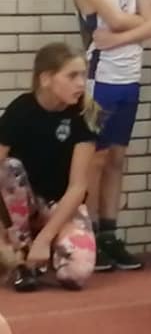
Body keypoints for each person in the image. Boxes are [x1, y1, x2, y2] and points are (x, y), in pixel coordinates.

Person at [71, 0, 151, 272]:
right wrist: (137, 24)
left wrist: (127, 31)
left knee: (118, 157)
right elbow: (117, 19)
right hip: (101, 78)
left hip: (129, 77)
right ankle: (86, 233)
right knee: (96, 158)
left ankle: (109, 233)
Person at [0, 43, 97, 292]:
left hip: (60, 205)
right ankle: (21, 256)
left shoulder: (85, 114)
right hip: (24, 205)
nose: (80, 83)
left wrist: (45, 238)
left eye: (83, 75)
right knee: (8, 167)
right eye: (72, 76)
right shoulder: (20, 110)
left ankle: (44, 248)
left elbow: (77, 187)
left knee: (76, 274)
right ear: (46, 79)